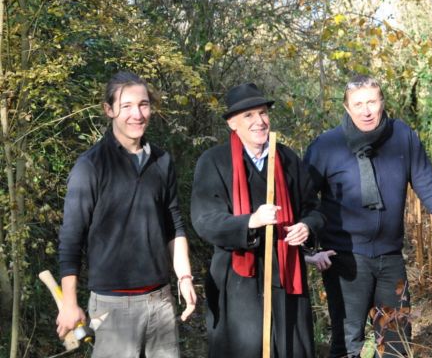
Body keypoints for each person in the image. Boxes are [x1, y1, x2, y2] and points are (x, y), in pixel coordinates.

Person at [304, 75, 432, 358]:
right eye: (358, 104)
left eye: (372, 102)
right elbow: (303, 201)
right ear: (347, 109)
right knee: (348, 344)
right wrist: (309, 250)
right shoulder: (326, 146)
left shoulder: (402, 136)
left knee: (397, 342)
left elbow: (428, 185)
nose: (366, 111)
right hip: (345, 259)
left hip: (390, 258)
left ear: (382, 102)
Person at [57, 71, 196, 358]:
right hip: (112, 308)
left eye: (143, 104)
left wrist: (184, 277)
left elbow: (174, 225)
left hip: (161, 302)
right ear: (109, 110)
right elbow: (71, 240)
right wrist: (69, 304)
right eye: (127, 106)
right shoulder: (90, 167)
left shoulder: (162, 161)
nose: (137, 114)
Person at [190, 82, 324, 357]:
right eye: (248, 116)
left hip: (287, 274)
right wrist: (250, 222)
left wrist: (306, 226)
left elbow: (314, 209)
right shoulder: (214, 161)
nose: (259, 121)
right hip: (238, 279)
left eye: (262, 113)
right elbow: (205, 220)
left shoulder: (286, 158)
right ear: (232, 124)